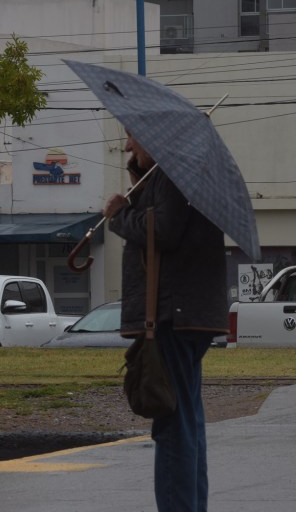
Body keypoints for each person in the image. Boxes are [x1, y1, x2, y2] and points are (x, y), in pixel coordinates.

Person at [104, 131, 228, 512]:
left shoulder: (172, 173)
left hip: (174, 314)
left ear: (154, 139)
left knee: (172, 426)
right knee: (188, 422)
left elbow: (164, 231)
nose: (127, 147)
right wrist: (135, 181)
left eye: (132, 139)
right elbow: (159, 215)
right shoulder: (178, 172)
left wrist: (119, 215)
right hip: (188, 313)